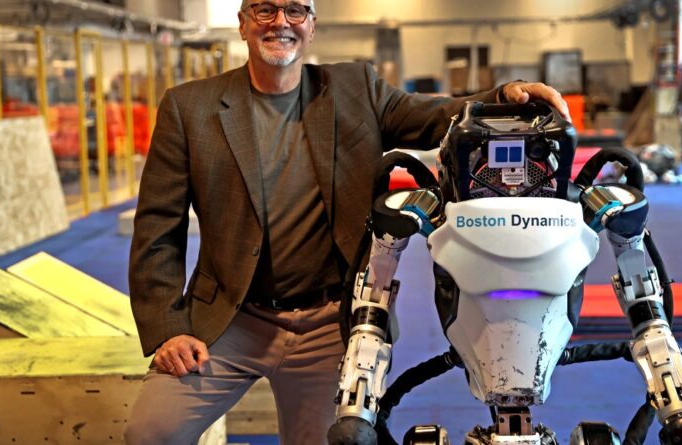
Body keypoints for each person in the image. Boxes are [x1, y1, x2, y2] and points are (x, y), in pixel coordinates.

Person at [124, 1, 571, 444]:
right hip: (230, 318)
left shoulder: (354, 89)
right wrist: (169, 329)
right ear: (243, 24)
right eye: (265, 10)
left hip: (329, 322)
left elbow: (437, 115)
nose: (281, 22)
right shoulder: (190, 108)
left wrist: (504, 97)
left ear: (311, 26)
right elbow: (157, 228)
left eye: (295, 11)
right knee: (151, 433)